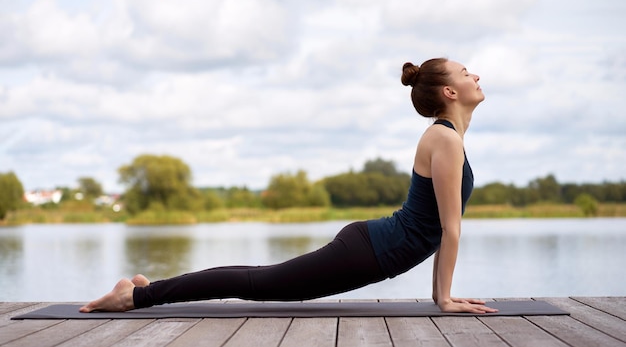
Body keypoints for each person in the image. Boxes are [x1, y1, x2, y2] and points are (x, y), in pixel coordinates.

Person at [80, 58, 497, 314]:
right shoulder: (444, 138)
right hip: (370, 251)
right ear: (449, 91)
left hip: (373, 247)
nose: (475, 74)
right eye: (466, 72)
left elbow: (442, 228)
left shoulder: (447, 138)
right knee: (257, 284)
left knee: (258, 280)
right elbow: (451, 229)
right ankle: (137, 297)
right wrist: (443, 299)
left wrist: (442, 296)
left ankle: (142, 291)